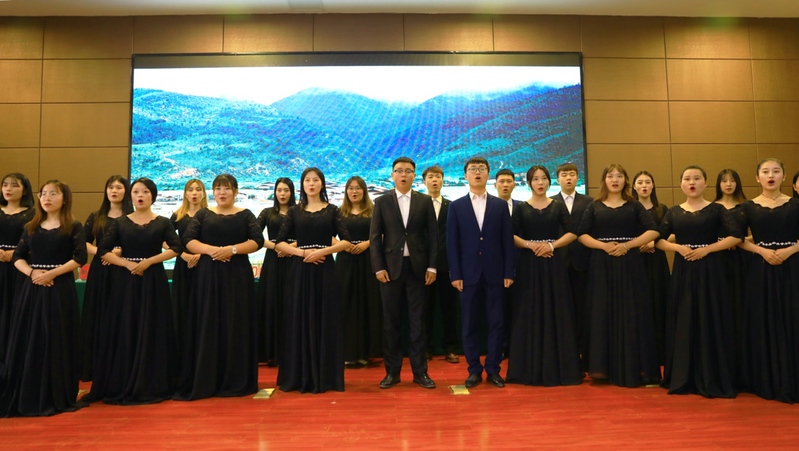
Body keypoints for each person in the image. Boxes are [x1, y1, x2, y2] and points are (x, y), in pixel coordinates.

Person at [83, 178, 181, 405]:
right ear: (131, 196)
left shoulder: (162, 222)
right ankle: (123, 378)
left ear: (153, 196)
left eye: (145, 192)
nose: (140, 196)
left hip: (153, 279)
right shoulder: (120, 223)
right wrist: (126, 264)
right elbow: (103, 250)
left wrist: (150, 261)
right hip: (125, 280)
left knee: (153, 324)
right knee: (126, 324)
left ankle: (153, 380)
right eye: (136, 192)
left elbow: (177, 247)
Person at [0, 180, 87, 417]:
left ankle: (56, 391)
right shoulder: (31, 226)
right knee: (32, 337)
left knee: (57, 337)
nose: (47, 198)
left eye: (53, 194)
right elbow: (18, 257)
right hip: (33, 289)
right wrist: (33, 273)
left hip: (60, 289)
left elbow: (80, 257)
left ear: (64, 199)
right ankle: (30, 390)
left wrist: (52, 273)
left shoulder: (74, 226)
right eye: (43, 194)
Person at [175, 174, 264, 401]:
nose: (222, 192)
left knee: (236, 321)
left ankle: (236, 378)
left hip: (237, 275)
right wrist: (213, 251)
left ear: (236, 191)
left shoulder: (245, 214)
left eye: (226, 188)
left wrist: (231, 250)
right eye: (218, 188)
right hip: (208, 274)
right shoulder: (204, 214)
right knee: (209, 320)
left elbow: (257, 241)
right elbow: (188, 239)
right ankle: (207, 377)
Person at [656, 166, 741, 398]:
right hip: (683, 270)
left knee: (709, 315)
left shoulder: (717, 209)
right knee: (684, 316)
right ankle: (683, 375)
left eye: (697, 178)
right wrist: (678, 248)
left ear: (705, 183)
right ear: (681, 184)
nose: (692, 182)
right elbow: (658, 240)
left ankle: (711, 374)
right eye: (687, 178)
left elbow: (736, 236)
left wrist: (707, 249)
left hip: (710, 269)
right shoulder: (674, 212)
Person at [577, 163, 660, 387]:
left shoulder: (634, 206)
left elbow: (653, 230)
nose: (615, 180)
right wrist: (604, 247)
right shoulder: (594, 206)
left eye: (619, 176)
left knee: (631, 311)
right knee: (602, 312)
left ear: (625, 180)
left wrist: (627, 246)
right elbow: (582, 234)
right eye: (610, 176)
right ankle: (602, 367)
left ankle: (632, 366)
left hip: (629, 263)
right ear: (604, 180)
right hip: (601, 265)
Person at [275, 168, 352, 393]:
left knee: (326, 318)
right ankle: (300, 375)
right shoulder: (294, 211)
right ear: (302, 184)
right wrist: (303, 253)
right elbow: (279, 242)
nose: (311, 184)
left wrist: (323, 252)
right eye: (307, 180)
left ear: (322, 184)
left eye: (315, 180)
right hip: (300, 270)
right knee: (299, 317)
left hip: (326, 270)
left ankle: (326, 376)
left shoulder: (332, 210)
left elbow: (346, 241)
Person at [506, 165, 581, 386]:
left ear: (549, 181)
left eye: (544, 178)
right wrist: (531, 245)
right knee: (527, 311)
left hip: (553, 263)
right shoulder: (521, 208)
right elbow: (509, 235)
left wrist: (551, 245)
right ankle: (526, 370)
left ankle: (559, 369)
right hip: (528, 265)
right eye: (535, 179)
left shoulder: (557, 206)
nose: (540, 183)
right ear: (529, 183)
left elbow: (573, 232)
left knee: (556, 310)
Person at [370, 157, 438, 390]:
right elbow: (375, 237)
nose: (403, 174)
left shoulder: (424, 201)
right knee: (391, 322)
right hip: (390, 270)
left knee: (418, 322)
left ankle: (420, 373)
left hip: (418, 269)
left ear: (414, 176)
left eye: (408, 171)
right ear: (392, 175)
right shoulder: (382, 201)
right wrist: (379, 267)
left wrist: (432, 266)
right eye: (399, 171)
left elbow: (433, 237)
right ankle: (392, 373)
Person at [447, 156, 515, 389]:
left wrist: (509, 271)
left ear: (488, 174)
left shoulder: (500, 205)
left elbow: (507, 241)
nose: (477, 172)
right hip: (467, 275)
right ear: (465, 175)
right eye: (473, 169)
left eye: (482, 169)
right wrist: (455, 274)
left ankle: (494, 369)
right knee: (469, 324)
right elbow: (452, 243)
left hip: (496, 273)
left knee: (497, 323)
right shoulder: (456, 206)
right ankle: (474, 369)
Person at [738, 158, 799, 403]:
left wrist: (790, 250)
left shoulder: (796, 204)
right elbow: (737, 239)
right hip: (761, 267)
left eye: (776, 171)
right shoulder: (748, 207)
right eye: (765, 171)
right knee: (764, 317)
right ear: (757, 177)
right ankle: (767, 378)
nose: (770, 175)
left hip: (793, 265)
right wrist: (762, 251)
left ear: (784, 176)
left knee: (792, 316)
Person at [80, 175, 133, 382]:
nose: (114, 191)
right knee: (98, 314)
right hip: (100, 270)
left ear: (126, 191)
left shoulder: (132, 216)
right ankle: (96, 367)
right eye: (111, 187)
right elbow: (83, 242)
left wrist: (118, 255)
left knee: (122, 315)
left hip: (124, 270)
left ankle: (121, 367)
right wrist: (103, 253)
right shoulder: (96, 216)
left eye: (119, 187)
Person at [550, 163, 593, 373]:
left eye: (572, 174)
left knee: (582, 308)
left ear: (577, 178)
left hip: (582, 262)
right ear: (557, 179)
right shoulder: (550, 202)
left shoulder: (589, 202)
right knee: (561, 308)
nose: (568, 177)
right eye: (564, 174)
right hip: (557, 261)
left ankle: (583, 351)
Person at [337, 176, 381, 369]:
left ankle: (365, 353)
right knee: (346, 304)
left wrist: (366, 244)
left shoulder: (374, 211)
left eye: (358, 188)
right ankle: (347, 353)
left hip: (367, 260)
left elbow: (383, 233)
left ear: (364, 191)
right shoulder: (339, 212)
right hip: (345, 261)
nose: (354, 192)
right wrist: (343, 246)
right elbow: (328, 235)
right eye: (350, 188)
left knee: (367, 304)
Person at [713, 168, 749, 387]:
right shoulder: (711, 207)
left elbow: (755, 234)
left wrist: (738, 240)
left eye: (732, 180)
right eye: (724, 180)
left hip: (741, 260)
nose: (728, 184)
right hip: (716, 261)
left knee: (740, 306)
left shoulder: (746, 207)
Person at [631, 170, 670, 366]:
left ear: (653, 185)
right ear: (634, 187)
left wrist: (654, 243)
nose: (644, 185)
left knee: (658, 302)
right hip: (635, 260)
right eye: (640, 182)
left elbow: (672, 234)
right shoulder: (629, 208)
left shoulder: (662, 209)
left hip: (657, 260)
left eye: (648, 182)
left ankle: (660, 352)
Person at [255, 177, 295, 366]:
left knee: (292, 303)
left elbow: (309, 234)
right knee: (272, 302)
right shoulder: (267, 213)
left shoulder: (299, 211)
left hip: (295, 259)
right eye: (279, 190)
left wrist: (290, 248)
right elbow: (254, 236)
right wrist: (276, 246)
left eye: (286, 190)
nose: (282, 194)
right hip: (273, 259)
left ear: (292, 192)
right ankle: (271, 352)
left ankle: (292, 351)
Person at [422, 166, 460, 364]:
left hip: (447, 265)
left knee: (449, 309)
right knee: (424, 310)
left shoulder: (451, 206)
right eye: (431, 177)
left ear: (443, 180)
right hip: (423, 266)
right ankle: (426, 348)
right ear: (424, 181)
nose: (434, 180)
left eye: (438, 176)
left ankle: (451, 348)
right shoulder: (418, 205)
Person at [169, 178, 208, 363]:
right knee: (183, 306)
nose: (194, 193)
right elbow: (166, 240)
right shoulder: (177, 216)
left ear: (203, 193)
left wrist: (201, 255)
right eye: (190, 190)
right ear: (185, 193)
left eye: (198, 189)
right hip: (183, 265)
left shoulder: (210, 215)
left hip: (205, 266)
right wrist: (182, 254)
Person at [0, 173, 35, 364]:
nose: (8, 189)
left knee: (16, 313)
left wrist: (14, 253)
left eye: (14, 185)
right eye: (5, 185)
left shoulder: (33, 214)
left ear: (25, 190)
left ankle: (14, 361)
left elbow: (38, 241)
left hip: (20, 269)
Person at [494, 168, 519, 359]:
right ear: (495, 185)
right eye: (501, 181)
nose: (505, 185)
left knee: (518, 309)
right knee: (499, 310)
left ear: (514, 185)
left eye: (509, 181)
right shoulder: (489, 207)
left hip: (521, 264)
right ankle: (501, 347)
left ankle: (518, 347)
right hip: (495, 267)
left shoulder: (523, 207)